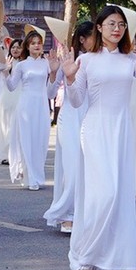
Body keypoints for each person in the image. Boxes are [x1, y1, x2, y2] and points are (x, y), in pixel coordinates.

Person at [66, 5, 136, 270]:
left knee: (118, 197)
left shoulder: (130, 59)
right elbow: (75, 101)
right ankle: (86, 256)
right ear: (98, 27)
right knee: (101, 195)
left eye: (121, 24)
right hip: (95, 130)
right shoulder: (86, 60)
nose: (117, 29)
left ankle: (106, 262)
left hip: (121, 132)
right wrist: (70, 77)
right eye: (111, 24)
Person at [44, 20, 98, 235]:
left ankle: (87, 214)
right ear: (83, 39)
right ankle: (67, 214)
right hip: (70, 117)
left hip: (93, 117)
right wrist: (53, 72)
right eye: (94, 35)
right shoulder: (69, 60)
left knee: (91, 168)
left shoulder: (101, 61)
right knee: (72, 167)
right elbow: (49, 93)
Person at [6, 29, 54, 190]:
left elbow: (51, 88)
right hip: (25, 105)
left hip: (41, 105)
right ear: (27, 45)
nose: (37, 46)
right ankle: (30, 177)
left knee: (40, 140)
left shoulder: (47, 63)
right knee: (26, 140)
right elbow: (12, 86)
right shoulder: (21, 65)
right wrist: (6, 72)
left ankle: (38, 176)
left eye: (39, 43)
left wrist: (54, 71)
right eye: (33, 43)